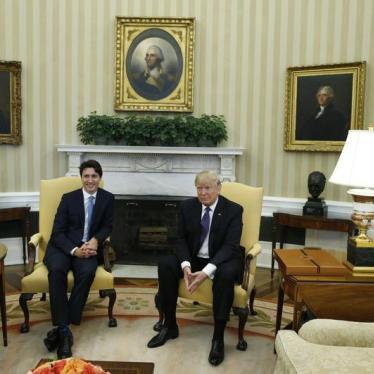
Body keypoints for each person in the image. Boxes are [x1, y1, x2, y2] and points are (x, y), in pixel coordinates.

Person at [147, 170, 244, 366]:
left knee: (225, 275)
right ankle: (170, 325)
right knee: (166, 264)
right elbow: (180, 239)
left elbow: (230, 246)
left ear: (218, 188)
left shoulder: (233, 210)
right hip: (193, 257)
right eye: (199, 188)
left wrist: (207, 271)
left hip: (222, 259)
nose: (202, 193)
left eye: (207, 188)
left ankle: (218, 337)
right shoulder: (187, 207)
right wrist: (185, 266)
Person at [43, 159, 114, 359]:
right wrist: (74, 250)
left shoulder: (108, 199)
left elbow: (107, 226)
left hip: (89, 248)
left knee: (88, 272)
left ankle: (61, 328)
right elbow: (57, 232)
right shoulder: (68, 198)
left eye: (94, 176)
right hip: (62, 247)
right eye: (86, 176)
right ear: (81, 177)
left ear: (100, 178)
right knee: (56, 271)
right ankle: (65, 332)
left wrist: (95, 241)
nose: (90, 180)